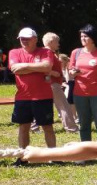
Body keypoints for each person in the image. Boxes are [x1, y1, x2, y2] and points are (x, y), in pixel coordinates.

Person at [8, 27, 61, 161]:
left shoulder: (46, 51)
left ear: (35, 39)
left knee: (47, 127)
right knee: (23, 127)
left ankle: (53, 157)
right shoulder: (14, 52)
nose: (24, 41)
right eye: (21, 39)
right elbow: (15, 69)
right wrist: (37, 67)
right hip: (23, 97)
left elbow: (47, 67)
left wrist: (24, 66)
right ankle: (23, 157)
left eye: (27, 38)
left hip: (43, 96)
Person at [40, 32, 78, 133]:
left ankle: (34, 127)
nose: (59, 44)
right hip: (52, 83)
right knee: (64, 105)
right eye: (57, 42)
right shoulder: (47, 53)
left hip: (51, 83)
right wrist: (53, 73)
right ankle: (71, 128)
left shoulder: (46, 52)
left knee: (41, 105)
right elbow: (42, 67)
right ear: (51, 42)